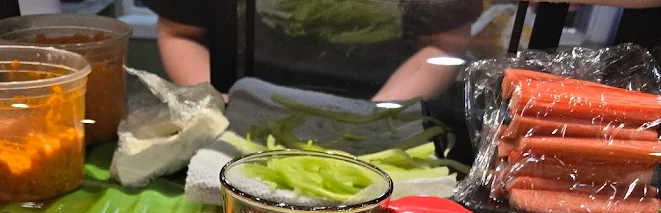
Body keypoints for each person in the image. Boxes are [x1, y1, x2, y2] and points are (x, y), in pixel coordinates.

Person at [148, 0, 483, 101]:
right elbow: (180, 32)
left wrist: (375, 118)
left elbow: (444, 43)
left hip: (389, 109)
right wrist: (223, 104)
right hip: (236, 114)